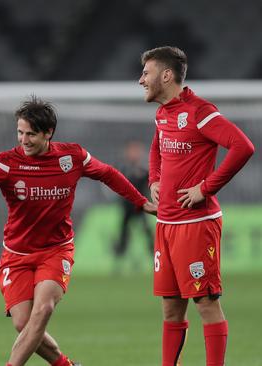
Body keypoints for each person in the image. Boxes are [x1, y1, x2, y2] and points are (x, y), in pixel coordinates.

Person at [0, 96, 157, 366]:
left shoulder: (71, 157)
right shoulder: (6, 163)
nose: (23, 140)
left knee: (44, 309)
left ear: (48, 133)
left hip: (56, 250)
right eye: (20, 132)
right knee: (23, 324)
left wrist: (141, 201)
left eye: (30, 134)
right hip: (16, 255)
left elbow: (108, 173)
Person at [139, 46, 255, 366]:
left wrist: (206, 188)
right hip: (167, 224)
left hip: (197, 223)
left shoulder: (200, 111)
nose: (140, 80)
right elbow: (156, 148)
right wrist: (154, 179)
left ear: (166, 75)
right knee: (171, 308)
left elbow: (242, 147)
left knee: (205, 303)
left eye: (146, 73)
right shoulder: (162, 113)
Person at [113, 140, 154, 262]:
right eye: (131, 151)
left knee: (147, 231)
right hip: (127, 207)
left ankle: (155, 255)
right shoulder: (123, 168)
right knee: (123, 233)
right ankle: (119, 256)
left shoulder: (144, 169)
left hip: (141, 207)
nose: (134, 154)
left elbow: (150, 185)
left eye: (136, 151)